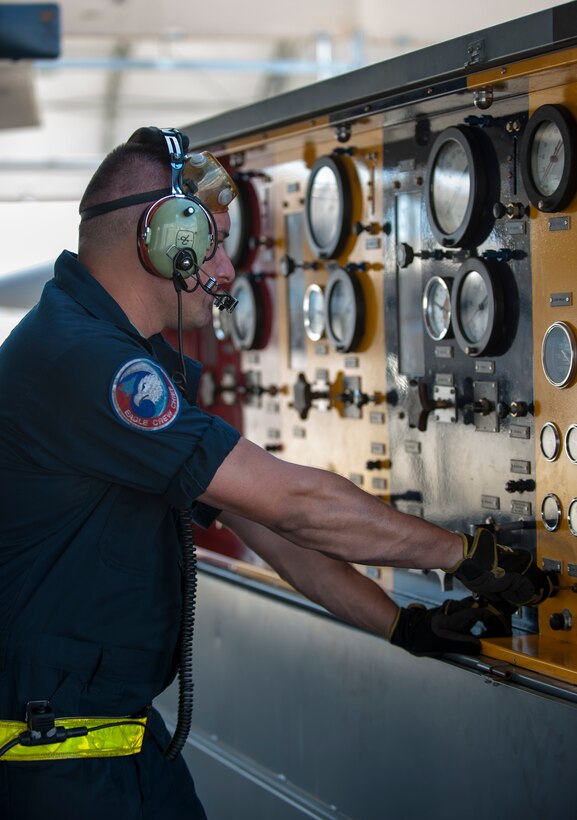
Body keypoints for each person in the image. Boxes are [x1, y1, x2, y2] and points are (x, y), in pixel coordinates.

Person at [0, 127, 555, 820]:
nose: (227, 271)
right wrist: (462, 554)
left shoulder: (107, 351)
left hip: (112, 746)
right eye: (213, 243)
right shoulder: (87, 362)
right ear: (165, 238)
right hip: (61, 767)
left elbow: (260, 518)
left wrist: (401, 625)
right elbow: (292, 500)